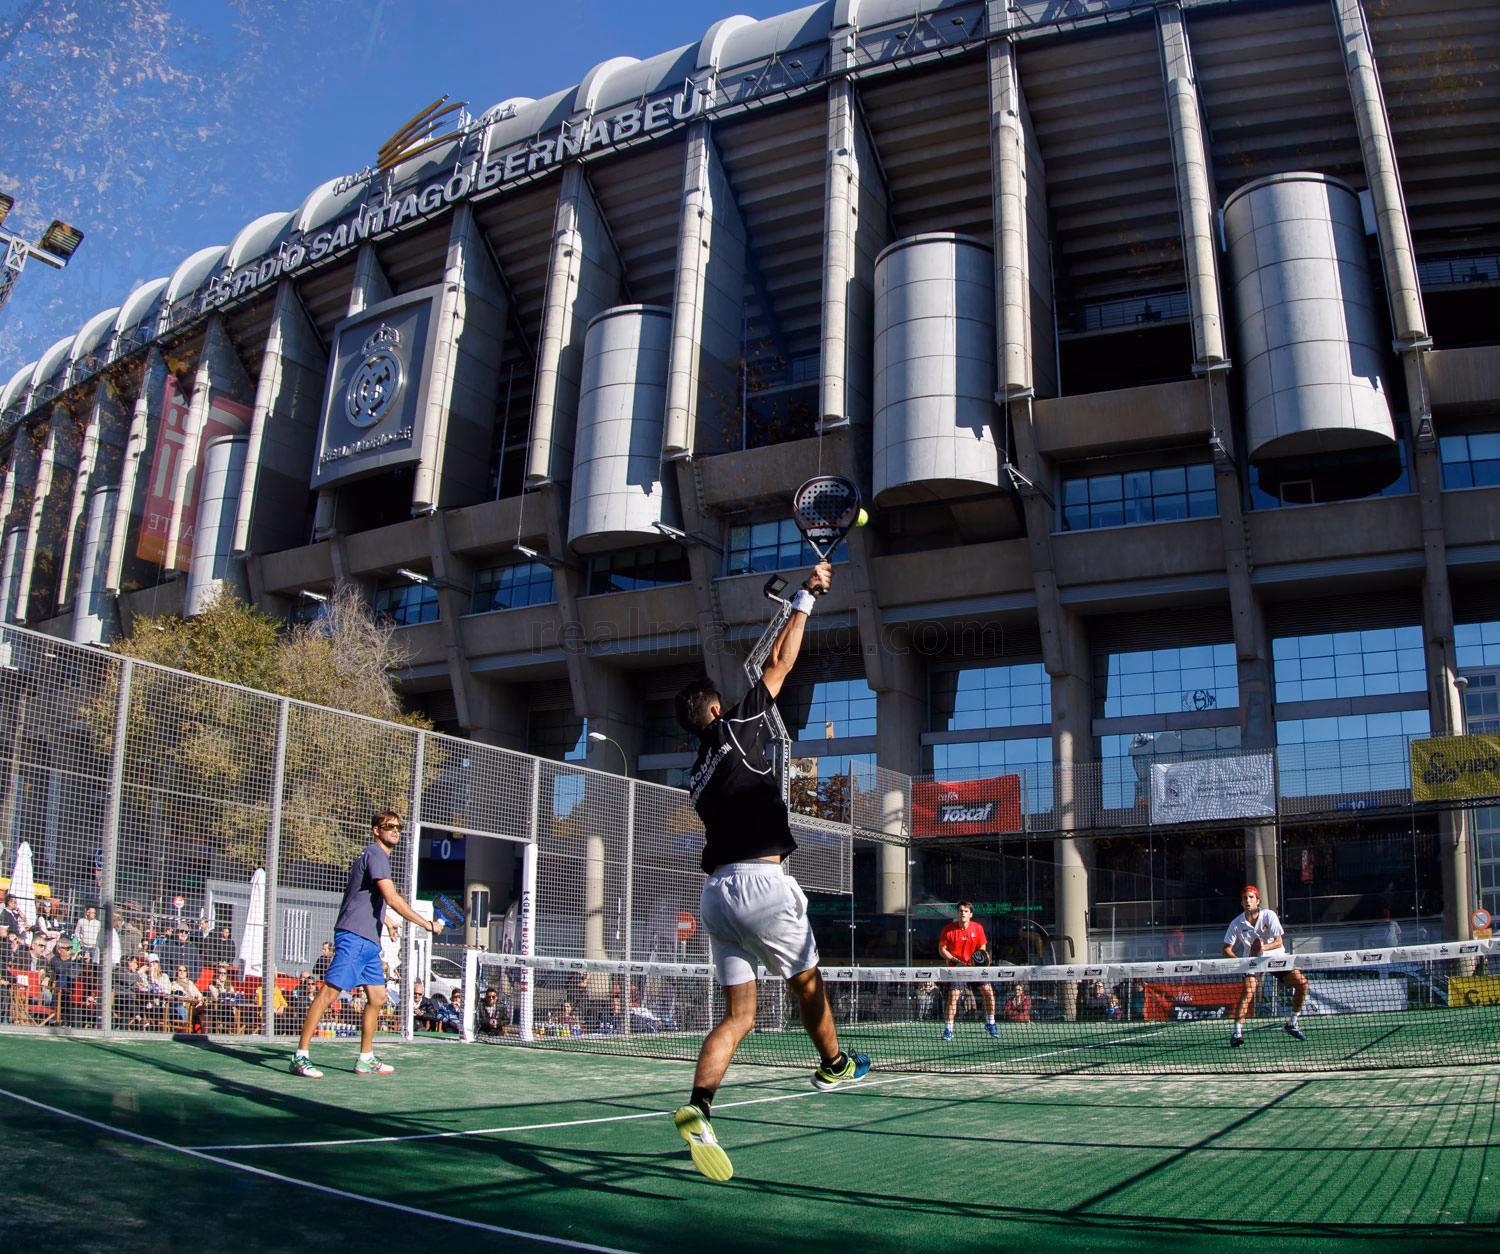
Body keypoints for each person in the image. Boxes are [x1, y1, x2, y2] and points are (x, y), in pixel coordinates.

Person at [670, 560, 869, 1183]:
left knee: (739, 1017)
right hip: (761, 885)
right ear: (717, 708)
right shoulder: (738, 728)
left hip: (716, 896)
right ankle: (834, 1063)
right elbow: (778, 665)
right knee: (808, 983)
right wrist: (806, 598)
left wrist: (790, 606)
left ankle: (700, 1106)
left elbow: (766, 669)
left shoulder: (696, 775)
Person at [291, 809, 443, 1077]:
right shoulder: (376, 854)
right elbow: (392, 898)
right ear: (376, 830)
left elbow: (362, 898)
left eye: (398, 827)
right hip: (353, 937)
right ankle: (300, 1056)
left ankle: (365, 1058)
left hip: (369, 943)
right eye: (389, 826)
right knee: (329, 994)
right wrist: (427, 924)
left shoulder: (372, 857)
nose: (395, 830)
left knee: (378, 997)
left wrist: (386, 921)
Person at [1222, 884, 1309, 1048]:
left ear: (1258, 901)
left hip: (1275, 958)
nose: (1248, 901)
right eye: (1245, 898)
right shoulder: (1236, 923)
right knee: (1248, 992)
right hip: (1252, 961)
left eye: (1251, 897)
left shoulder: (1269, 915)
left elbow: (1279, 941)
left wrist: (1263, 948)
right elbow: (1226, 949)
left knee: (1302, 984)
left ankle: (1292, 1023)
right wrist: (1240, 962)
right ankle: (1237, 1033)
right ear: (1241, 902)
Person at [938, 900, 997, 1039]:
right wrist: (955, 961)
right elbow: (942, 949)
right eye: (960, 911)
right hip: (957, 969)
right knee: (953, 996)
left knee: (988, 992)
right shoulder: (948, 929)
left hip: (975, 969)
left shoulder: (978, 928)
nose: (963, 913)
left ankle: (991, 1023)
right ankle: (948, 1029)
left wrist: (977, 961)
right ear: (957, 913)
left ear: (970, 914)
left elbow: (982, 948)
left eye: (966, 911)